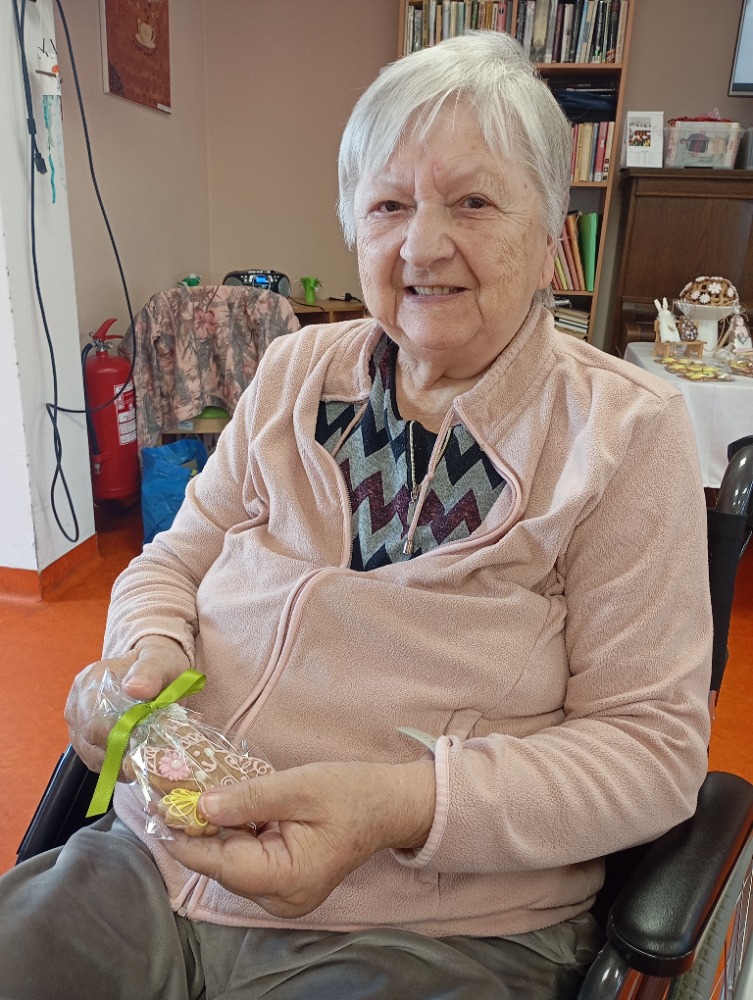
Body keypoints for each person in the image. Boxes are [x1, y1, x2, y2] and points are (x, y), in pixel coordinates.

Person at [0, 30, 712, 1000]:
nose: (421, 245)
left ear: (551, 232)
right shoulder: (295, 370)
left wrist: (398, 806)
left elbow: (651, 752)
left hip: (426, 927)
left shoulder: (623, 430)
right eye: (388, 205)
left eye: (472, 202)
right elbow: (172, 561)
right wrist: (140, 659)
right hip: (157, 859)